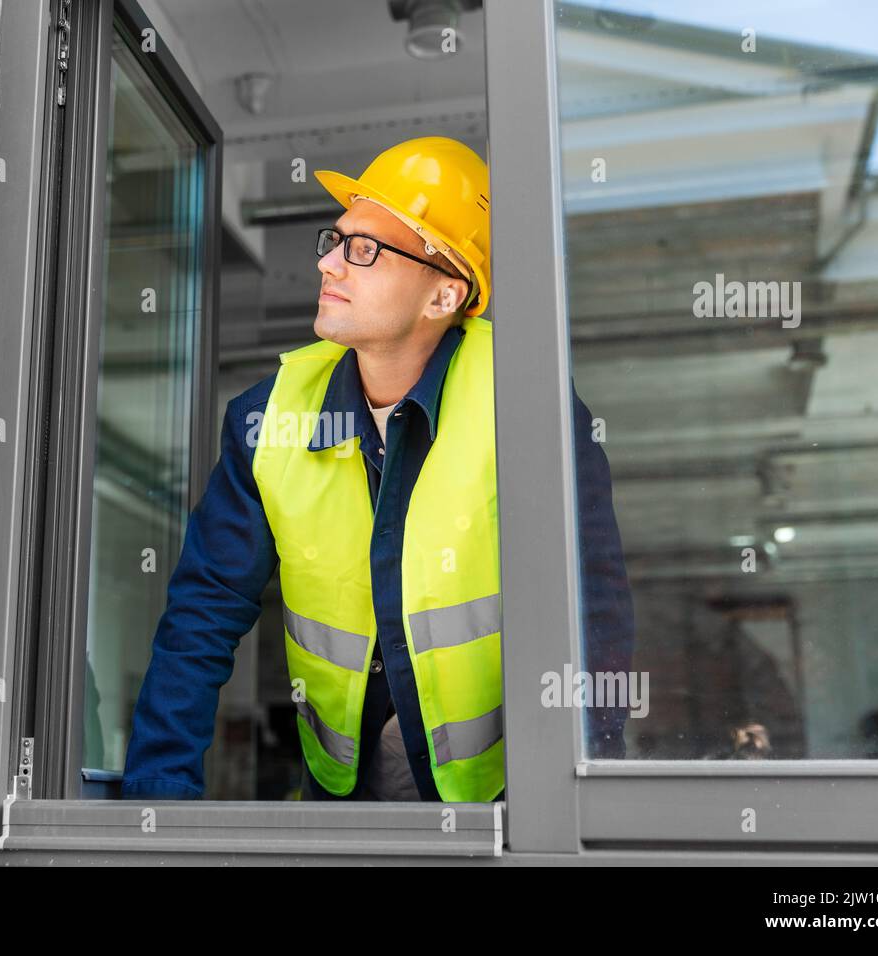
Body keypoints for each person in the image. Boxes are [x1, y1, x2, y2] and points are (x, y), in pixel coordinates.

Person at [120, 136, 634, 802]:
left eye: (366, 250)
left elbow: (593, 607)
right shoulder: (267, 419)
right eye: (336, 239)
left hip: (500, 801)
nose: (330, 264)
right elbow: (203, 614)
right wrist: (156, 804)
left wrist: (582, 795)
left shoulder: (525, 403)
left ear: (444, 295)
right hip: (346, 790)